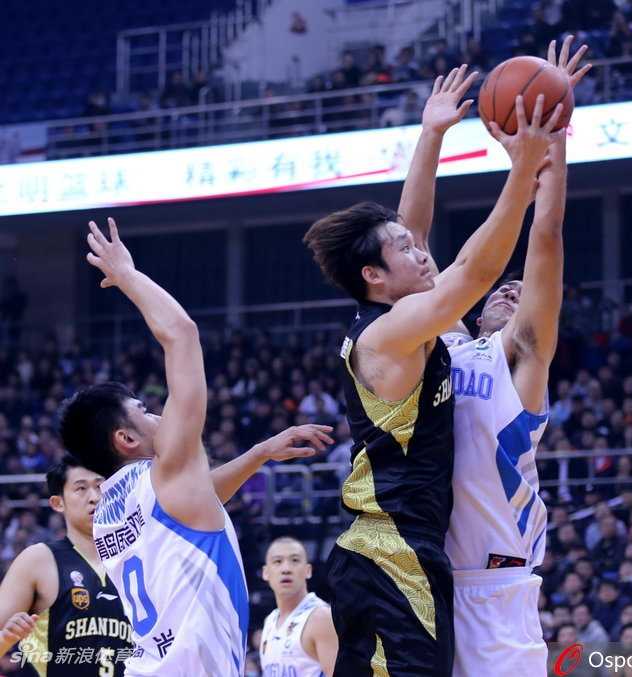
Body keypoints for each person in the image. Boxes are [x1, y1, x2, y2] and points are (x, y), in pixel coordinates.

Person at [303, 64, 562, 675]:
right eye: (405, 253)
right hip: (391, 553)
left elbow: (414, 229)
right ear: (374, 276)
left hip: (431, 560)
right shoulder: (391, 334)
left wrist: (432, 133)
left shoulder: (432, 332)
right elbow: (472, 272)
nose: (421, 255)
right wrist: (524, 169)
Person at [61, 218, 333, 676]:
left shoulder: (112, 508)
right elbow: (182, 333)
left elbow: (197, 502)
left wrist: (258, 454)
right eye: (144, 411)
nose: (157, 415)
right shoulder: (166, 472)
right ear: (126, 439)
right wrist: (127, 275)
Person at [418, 38, 588, 677]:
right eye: (502, 287)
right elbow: (411, 243)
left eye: (522, 291)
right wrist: (432, 136)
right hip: (427, 581)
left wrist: (555, 139)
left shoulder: (522, 361)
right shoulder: (442, 341)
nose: (513, 289)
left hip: (497, 590)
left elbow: (546, 237)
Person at [0, 456, 133, 676]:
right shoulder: (38, 560)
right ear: (57, 503)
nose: (95, 497)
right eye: (81, 488)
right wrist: (5, 640)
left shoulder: (138, 559)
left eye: (100, 486)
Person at [260, 537, 337, 677]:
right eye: (278, 561)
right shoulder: (269, 621)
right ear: (265, 573)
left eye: (294, 560)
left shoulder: (321, 617)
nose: (286, 569)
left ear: (308, 570)